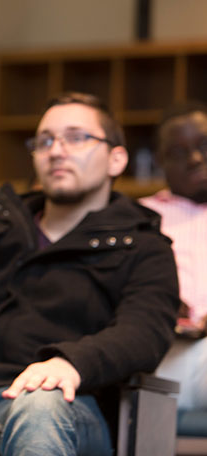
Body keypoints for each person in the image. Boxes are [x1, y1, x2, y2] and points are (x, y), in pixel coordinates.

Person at [0, 92, 179, 456]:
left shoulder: (143, 245)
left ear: (116, 159)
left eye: (76, 137)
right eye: (45, 140)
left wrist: (72, 362)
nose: (56, 150)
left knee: (41, 406)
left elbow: (145, 332)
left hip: (64, 401)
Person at [140, 101, 207, 413]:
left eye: (204, 145)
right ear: (159, 160)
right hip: (158, 356)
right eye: (179, 152)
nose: (195, 159)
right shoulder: (136, 217)